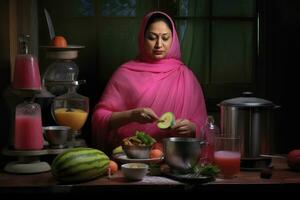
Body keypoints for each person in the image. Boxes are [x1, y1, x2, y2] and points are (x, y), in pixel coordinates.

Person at [92, 11, 207, 155]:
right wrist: (131, 115)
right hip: (130, 156)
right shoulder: (124, 73)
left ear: (174, 40)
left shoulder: (186, 76)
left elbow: (204, 125)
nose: (159, 44)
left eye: (165, 38)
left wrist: (192, 128)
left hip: (175, 159)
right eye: (152, 38)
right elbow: (99, 117)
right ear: (142, 38)